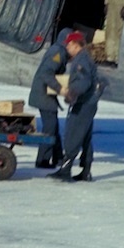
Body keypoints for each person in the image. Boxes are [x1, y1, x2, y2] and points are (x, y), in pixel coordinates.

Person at [53, 31, 102, 181]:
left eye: (69, 45)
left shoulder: (81, 60)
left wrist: (72, 93)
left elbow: (83, 82)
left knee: (73, 133)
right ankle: (86, 171)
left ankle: (65, 169)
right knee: (85, 136)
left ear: (75, 45)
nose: (67, 48)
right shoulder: (84, 58)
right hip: (89, 103)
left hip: (82, 103)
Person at [27, 29, 73, 168]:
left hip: (46, 94)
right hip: (43, 94)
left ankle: (58, 158)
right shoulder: (57, 53)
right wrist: (60, 89)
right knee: (50, 128)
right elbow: (47, 73)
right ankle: (43, 160)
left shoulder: (60, 51)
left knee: (53, 126)